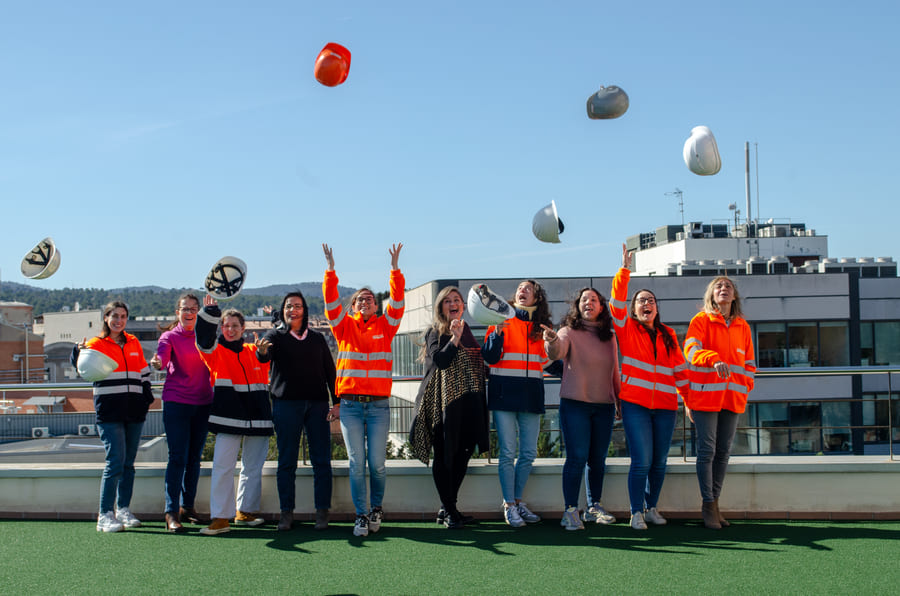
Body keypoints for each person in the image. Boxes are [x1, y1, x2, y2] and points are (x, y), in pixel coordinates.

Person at [322, 242, 404, 537]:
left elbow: (398, 303)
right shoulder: (343, 327)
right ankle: (360, 514)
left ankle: (376, 508)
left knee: (377, 464)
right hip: (352, 407)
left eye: (370, 298)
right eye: (360, 299)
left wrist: (394, 271)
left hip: (379, 405)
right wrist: (331, 272)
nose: (366, 302)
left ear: (376, 304)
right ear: (353, 305)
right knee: (356, 463)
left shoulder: (386, 325)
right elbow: (331, 303)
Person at [610, 245, 690, 530]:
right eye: (641, 301)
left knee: (659, 462)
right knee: (641, 460)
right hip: (636, 405)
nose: (646, 304)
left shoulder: (668, 334)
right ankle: (635, 512)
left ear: (657, 307)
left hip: (667, 407)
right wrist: (624, 270)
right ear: (634, 309)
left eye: (651, 300)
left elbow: (680, 370)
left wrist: (688, 400)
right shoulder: (627, 329)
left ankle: (650, 507)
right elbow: (615, 305)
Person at [410, 286, 491, 529]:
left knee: (463, 453)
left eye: (457, 300)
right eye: (447, 301)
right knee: (445, 456)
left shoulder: (469, 332)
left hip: (467, 404)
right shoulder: (435, 331)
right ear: (440, 306)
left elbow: (479, 365)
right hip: (440, 405)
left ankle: (448, 508)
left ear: (464, 306)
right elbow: (441, 360)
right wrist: (454, 338)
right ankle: (451, 510)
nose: (453, 304)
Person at [256, 291, 337, 532]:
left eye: (298, 306)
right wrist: (262, 353)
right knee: (287, 461)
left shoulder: (317, 339)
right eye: (289, 306)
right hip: (286, 405)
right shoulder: (275, 336)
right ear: (283, 310)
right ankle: (286, 513)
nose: (293, 310)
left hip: (318, 405)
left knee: (321, 461)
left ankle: (322, 512)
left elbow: (330, 372)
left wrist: (338, 401)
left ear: (305, 310)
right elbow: (265, 356)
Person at [72, 300, 154, 533]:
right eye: (114, 316)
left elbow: (144, 371)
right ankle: (105, 514)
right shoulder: (96, 343)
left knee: (128, 463)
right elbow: (83, 370)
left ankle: (124, 509)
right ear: (106, 318)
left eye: (123, 316)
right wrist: (77, 352)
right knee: (115, 461)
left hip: (134, 409)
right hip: (109, 410)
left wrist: (146, 395)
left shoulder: (133, 341)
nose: (119, 320)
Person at [543, 288, 620, 531]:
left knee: (597, 459)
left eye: (594, 300)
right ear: (578, 306)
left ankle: (593, 507)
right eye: (584, 300)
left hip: (604, 406)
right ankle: (570, 511)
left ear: (601, 307)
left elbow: (615, 372)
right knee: (577, 458)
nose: (589, 303)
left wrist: (619, 401)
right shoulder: (568, 332)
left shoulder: (610, 336)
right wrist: (552, 340)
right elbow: (557, 352)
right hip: (575, 405)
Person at [195, 295, 273, 536]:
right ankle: (220, 518)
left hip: (259, 417)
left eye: (235, 326)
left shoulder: (254, 349)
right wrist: (210, 312)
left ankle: (245, 512)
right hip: (227, 417)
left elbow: (266, 365)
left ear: (243, 329)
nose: (230, 329)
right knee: (222, 467)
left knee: (253, 467)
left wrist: (263, 356)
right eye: (226, 326)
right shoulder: (215, 351)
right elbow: (203, 339)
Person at [684, 276, 756, 529]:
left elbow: (750, 364)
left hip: (733, 398)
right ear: (711, 296)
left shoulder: (743, 327)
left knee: (723, 453)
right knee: (707, 451)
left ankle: (715, 502)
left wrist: (745, 385)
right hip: (705, 395)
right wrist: (712, 358)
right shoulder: (701, 321)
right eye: (718, 286)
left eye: (728, 286)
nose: (723, 289)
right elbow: (690, 351)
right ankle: (708, 505)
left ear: (734, 296)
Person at [482, 280, 552, 527]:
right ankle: (508, 505)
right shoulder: (501, 319)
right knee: (508, 453)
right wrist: (497, 335)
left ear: (537, 298)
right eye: (520, 288)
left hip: (532, 394)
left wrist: (553, 342)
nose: (523, 291)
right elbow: (489, 357)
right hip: (504, 394)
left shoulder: (541, 327)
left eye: (529, 289)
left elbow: (549, 361)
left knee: (528, 454)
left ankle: (518, 502)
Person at [150, 293, 213, 533]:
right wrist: (157, 363)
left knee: (194, 459)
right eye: (185, 309)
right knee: (178, 458)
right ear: (177, 312)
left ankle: (188, 507)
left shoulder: (204, 336)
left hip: (203, 403)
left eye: (194, 309)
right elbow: (162, 359)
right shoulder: (170, 337)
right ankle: (171, 512)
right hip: (177, 403)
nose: (189, 313)